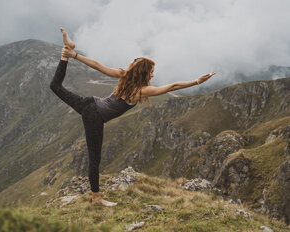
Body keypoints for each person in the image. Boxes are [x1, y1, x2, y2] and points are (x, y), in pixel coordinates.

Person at [50, 28, 216, 206]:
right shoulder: (140, 90)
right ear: (144, 73)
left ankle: (65, 55)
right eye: (151, 71)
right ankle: (96, 198)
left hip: (89, 103)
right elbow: (172, 87)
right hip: (94, 116)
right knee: (94, 158)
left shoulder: (123, 75)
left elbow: (97, 65)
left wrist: (74, 55)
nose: (153, 75)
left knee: (55, 86)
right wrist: (196, 82)